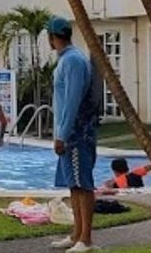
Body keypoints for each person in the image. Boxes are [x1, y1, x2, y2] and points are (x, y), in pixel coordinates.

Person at [48, 16, 99, 253]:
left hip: (77, 133)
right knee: (74, 185)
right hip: (71, 132)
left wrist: (63, 134)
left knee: (82, 184)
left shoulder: (73, 61)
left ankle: (85, 239)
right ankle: (77, 234)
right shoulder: (68, 59)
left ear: (52, 37)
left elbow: (72, 100)